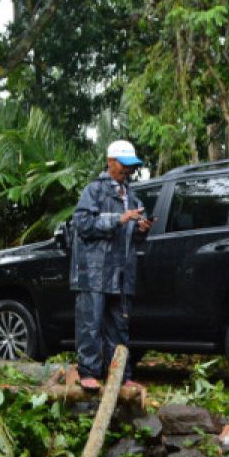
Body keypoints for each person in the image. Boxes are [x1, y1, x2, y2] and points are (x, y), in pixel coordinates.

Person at [70, 140, 152, 390]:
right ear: (110, 161)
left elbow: (133, 235)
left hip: (121, 272)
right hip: (93, 272)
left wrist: (141, 229)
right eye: (123, 165)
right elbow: (82, 224)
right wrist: (118, 219)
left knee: (119, 326)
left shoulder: (132, 195)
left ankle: (120, 376)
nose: (128, 170)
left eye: (131, 166)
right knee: (90, 324)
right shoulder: (93, 190)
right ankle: (88, 373)